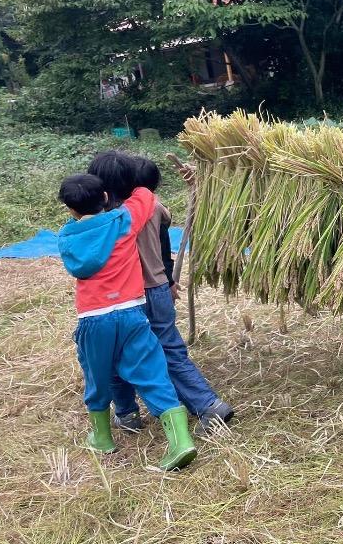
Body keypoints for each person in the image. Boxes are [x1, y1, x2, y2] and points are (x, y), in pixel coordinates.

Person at [56, 173, 197, 470]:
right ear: (106, 197)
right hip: (132, 312)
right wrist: (130, 177)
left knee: (98, 375)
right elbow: (144, 195)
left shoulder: (67, 237)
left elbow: (76, 267)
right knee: (151, 371)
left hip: (93, 319)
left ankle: (102, 438)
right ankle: (180, 442)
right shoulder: (123, 221)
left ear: (69, 208)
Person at [104, 155, 235, 436]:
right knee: (168, 349)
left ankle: (132, 412)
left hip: (133, 297)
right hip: (159, 289)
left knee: (121, 353)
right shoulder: (151, 207)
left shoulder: (115, 218)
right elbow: (163, 241)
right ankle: (206, 404)